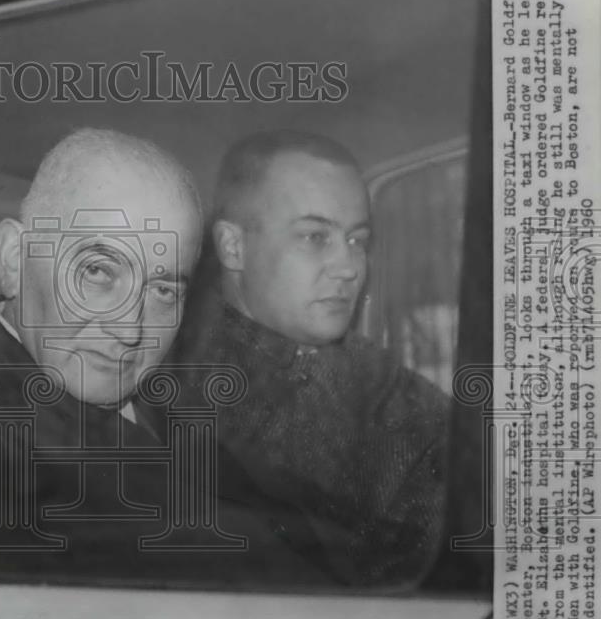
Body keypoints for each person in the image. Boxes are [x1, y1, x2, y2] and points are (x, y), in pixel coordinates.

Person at [0, 128, 336, 585]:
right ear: (15, 258)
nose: (131, 327)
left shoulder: (170, 399)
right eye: (97, 272)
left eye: (162, 289)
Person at [173, 129, 451, 587]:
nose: (349, 266)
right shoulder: (158, 368)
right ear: (233, 247)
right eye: (314, 236)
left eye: (357, 240)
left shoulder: (375, 378)